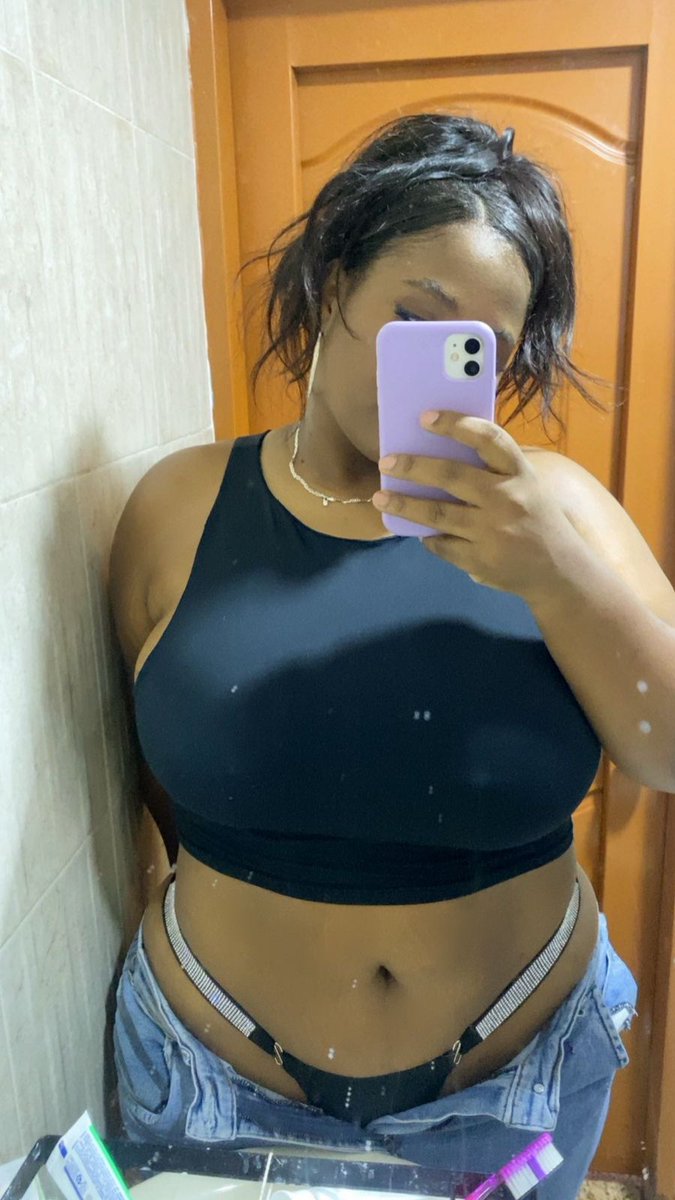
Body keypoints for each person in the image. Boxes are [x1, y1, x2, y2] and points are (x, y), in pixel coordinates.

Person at [109, 113, 639, 1196]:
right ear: (334, 280)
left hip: (517, 1085)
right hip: (211, 1080)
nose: (437, 379)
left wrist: (555, 573)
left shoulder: (562, 513)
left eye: (481, 351)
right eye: (415, 320)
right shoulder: (178, 507)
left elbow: (667, 750)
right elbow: (150, 774)